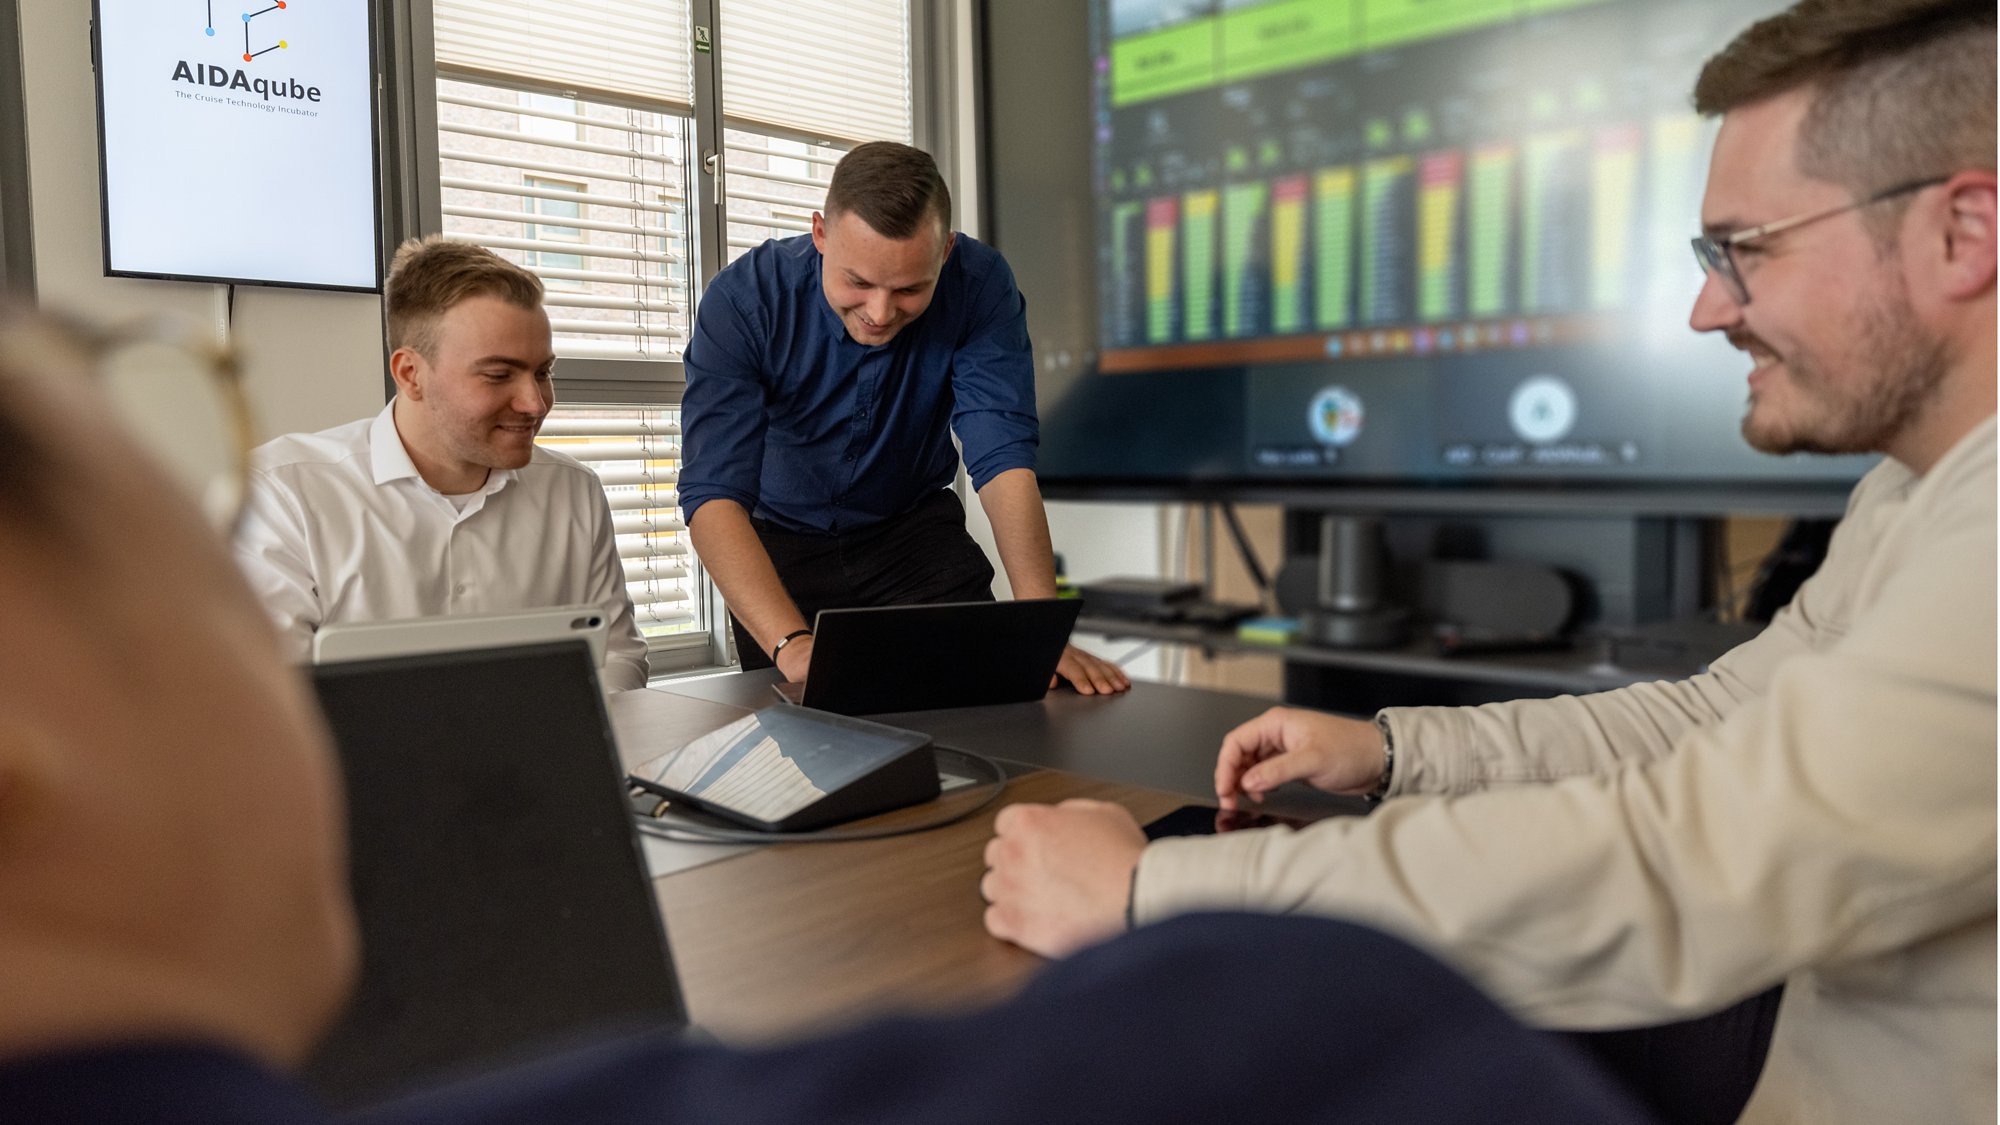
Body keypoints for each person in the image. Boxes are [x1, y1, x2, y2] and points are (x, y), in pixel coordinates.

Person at [0, 308, 1653, 1123]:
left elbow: (622, 670)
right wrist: (1169, 902)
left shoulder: (602, 476)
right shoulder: (1318, 1048)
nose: (535, 402)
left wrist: (1031, 611)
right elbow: (1340, 1039)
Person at [979, 2, 1996, 1122]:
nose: (1708, 308)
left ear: (1962, 232)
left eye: (1745, 250)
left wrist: (1149, 897)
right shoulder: (1912, 489)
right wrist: (1394, 750)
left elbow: (1680, 862)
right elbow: (1706, 725)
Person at [679, 141, 1128, 694]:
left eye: (910, 289)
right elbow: (713, 496)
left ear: (945, 252)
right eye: (858, 283)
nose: (880, 312)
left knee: (1001, 696)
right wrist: (790, 645)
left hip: (912, 535)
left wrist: (1042, 623)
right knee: (804, 739)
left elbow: (1001, 456)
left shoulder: (980, 285)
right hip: (780, 547)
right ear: (820, 234)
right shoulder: (745, 301)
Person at [233, 236, 650, 691]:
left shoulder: (574, 492)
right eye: (498, 375)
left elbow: (618, 657)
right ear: (411, 374)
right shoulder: (283, 494)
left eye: (543, 372)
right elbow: (269, 698)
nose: (535, 402)